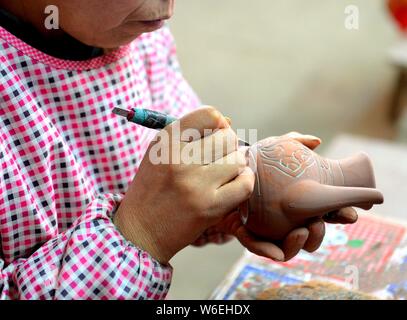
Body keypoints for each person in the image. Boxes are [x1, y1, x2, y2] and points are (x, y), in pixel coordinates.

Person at [0, 0, 358, 299]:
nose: (167, 9)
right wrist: (141, 232)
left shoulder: (138, 31)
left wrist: (234, 191)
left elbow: (181, 160)